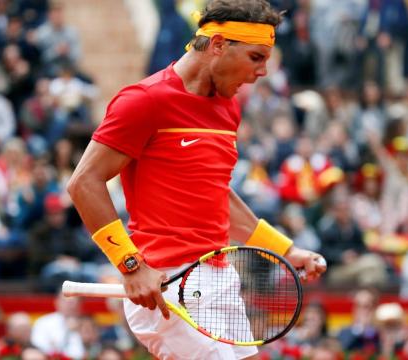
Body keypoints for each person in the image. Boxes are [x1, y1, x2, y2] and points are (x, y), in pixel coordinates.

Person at [66, 1, 327, 359]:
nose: (263, 71)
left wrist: (286, 250)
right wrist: (130, 266)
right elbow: (84, 182)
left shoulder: (228, 107)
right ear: (218, 45)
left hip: (220, 277)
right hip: (166, 283)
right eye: (256, 57)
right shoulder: (144, 101)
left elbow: (215, 193)